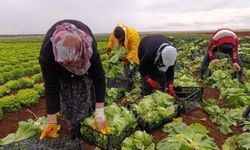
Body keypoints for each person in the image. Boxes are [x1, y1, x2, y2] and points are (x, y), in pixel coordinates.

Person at [39, 20, 107, 140]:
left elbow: (99, 78)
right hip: (60, 70)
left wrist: (100, 110)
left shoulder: (88, 48)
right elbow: (51, 87)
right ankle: (73, 128)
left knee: (84, 94)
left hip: (83, 66)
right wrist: (52, 121)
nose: (69, 66)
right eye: (65, 62)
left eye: (72, 62)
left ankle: (84, 126)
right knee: (66, 100)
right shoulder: (48, 54)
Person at [138, 34, 178, 99]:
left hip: (159, 41)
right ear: (160, 57)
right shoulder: (149, 54)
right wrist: (149, 80)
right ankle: (146, 93)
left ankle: (161, 90)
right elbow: (141, 68)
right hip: (144, 46)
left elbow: (170, 70)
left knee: (161, 79)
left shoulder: (172, 55)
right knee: (147, 81)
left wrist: (170, 85)